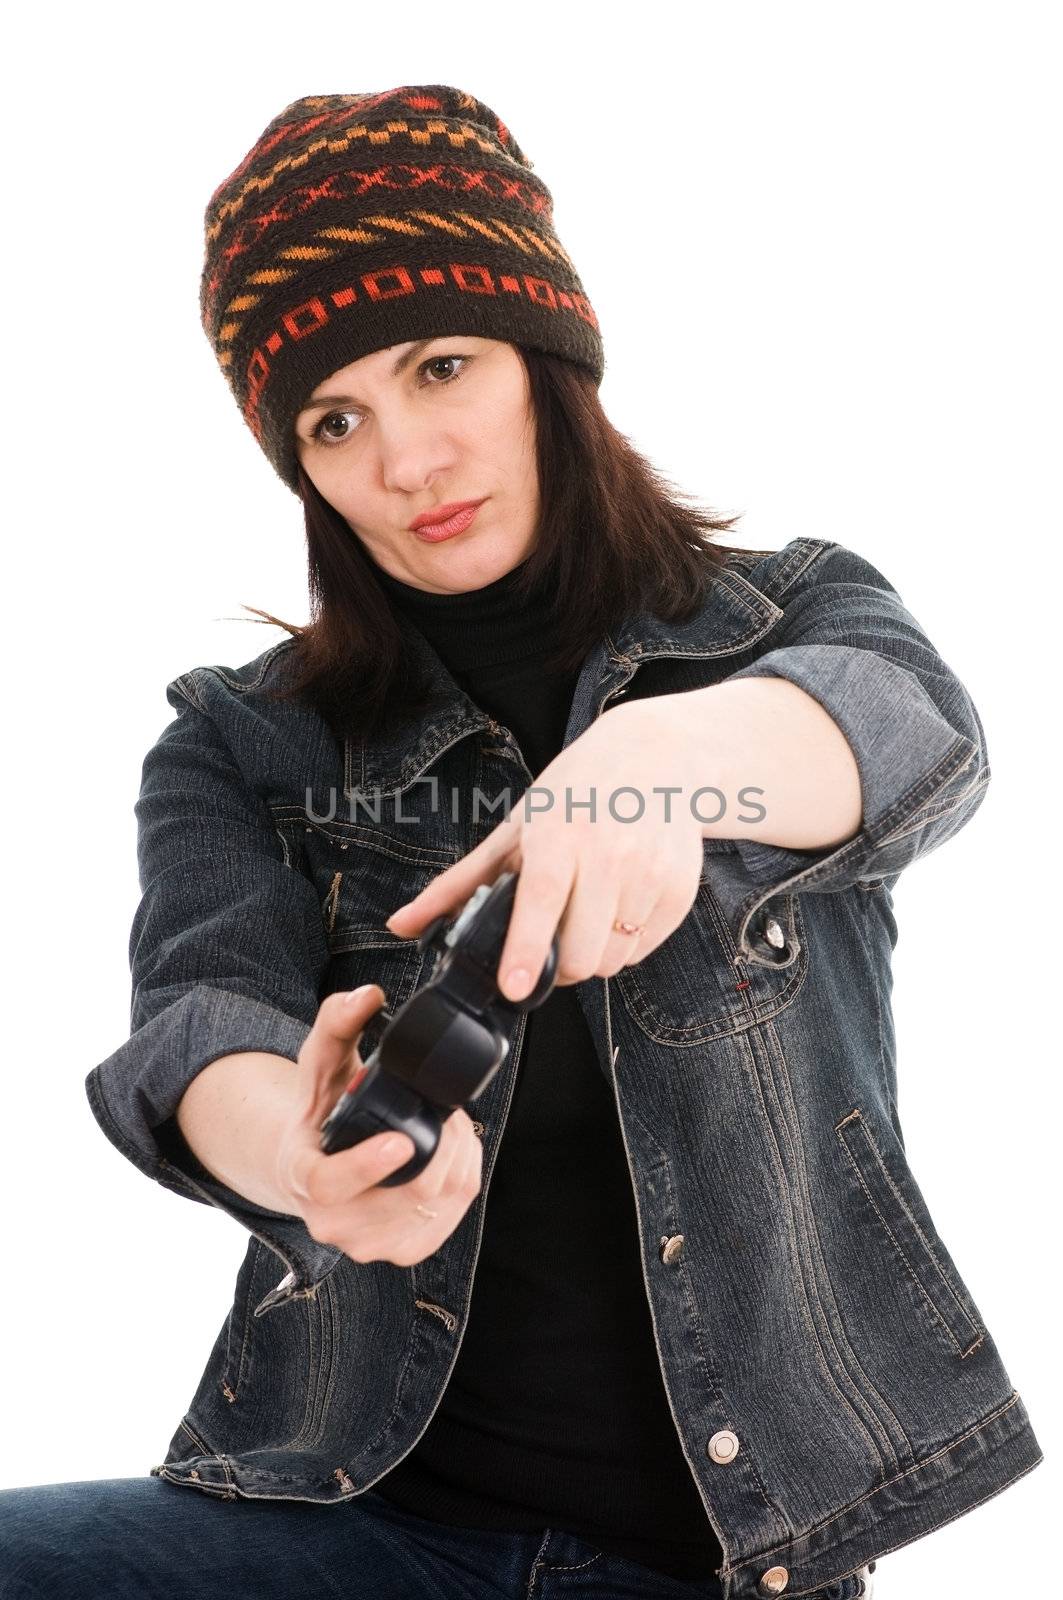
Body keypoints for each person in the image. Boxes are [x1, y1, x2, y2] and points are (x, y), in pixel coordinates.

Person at [0, 84, 1040, 1600]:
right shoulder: (241, 740)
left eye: (442, 366)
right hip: (352, 1527)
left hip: (727, 1565)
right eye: (335, 419)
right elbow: (197, 1026)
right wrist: (297, 1157)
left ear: (548, 357)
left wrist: (658, 765)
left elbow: (913, 735)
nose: (407, 462)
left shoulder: (786, 619)